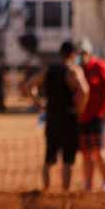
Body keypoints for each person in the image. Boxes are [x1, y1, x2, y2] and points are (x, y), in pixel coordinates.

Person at [21, 41, 88, 191]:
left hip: (52, 117)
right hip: (69, 118)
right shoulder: (73, 70)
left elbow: (28, 86)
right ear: (73, 54)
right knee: (67, 160)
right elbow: (84, 90)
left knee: (49, 159)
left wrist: (39, 104)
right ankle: (65, 192)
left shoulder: (49, 70)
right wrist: (79, 110)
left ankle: (46, 190)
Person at [77, 38, 105, 193]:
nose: (82, 56)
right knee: (86, 153)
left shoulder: (100, 66)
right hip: (83, 117)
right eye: (79, 53)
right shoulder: (77, 70)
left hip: (98, 116)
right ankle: (88, 184)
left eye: (84, 53)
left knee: (100, 151)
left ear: (89, 53)